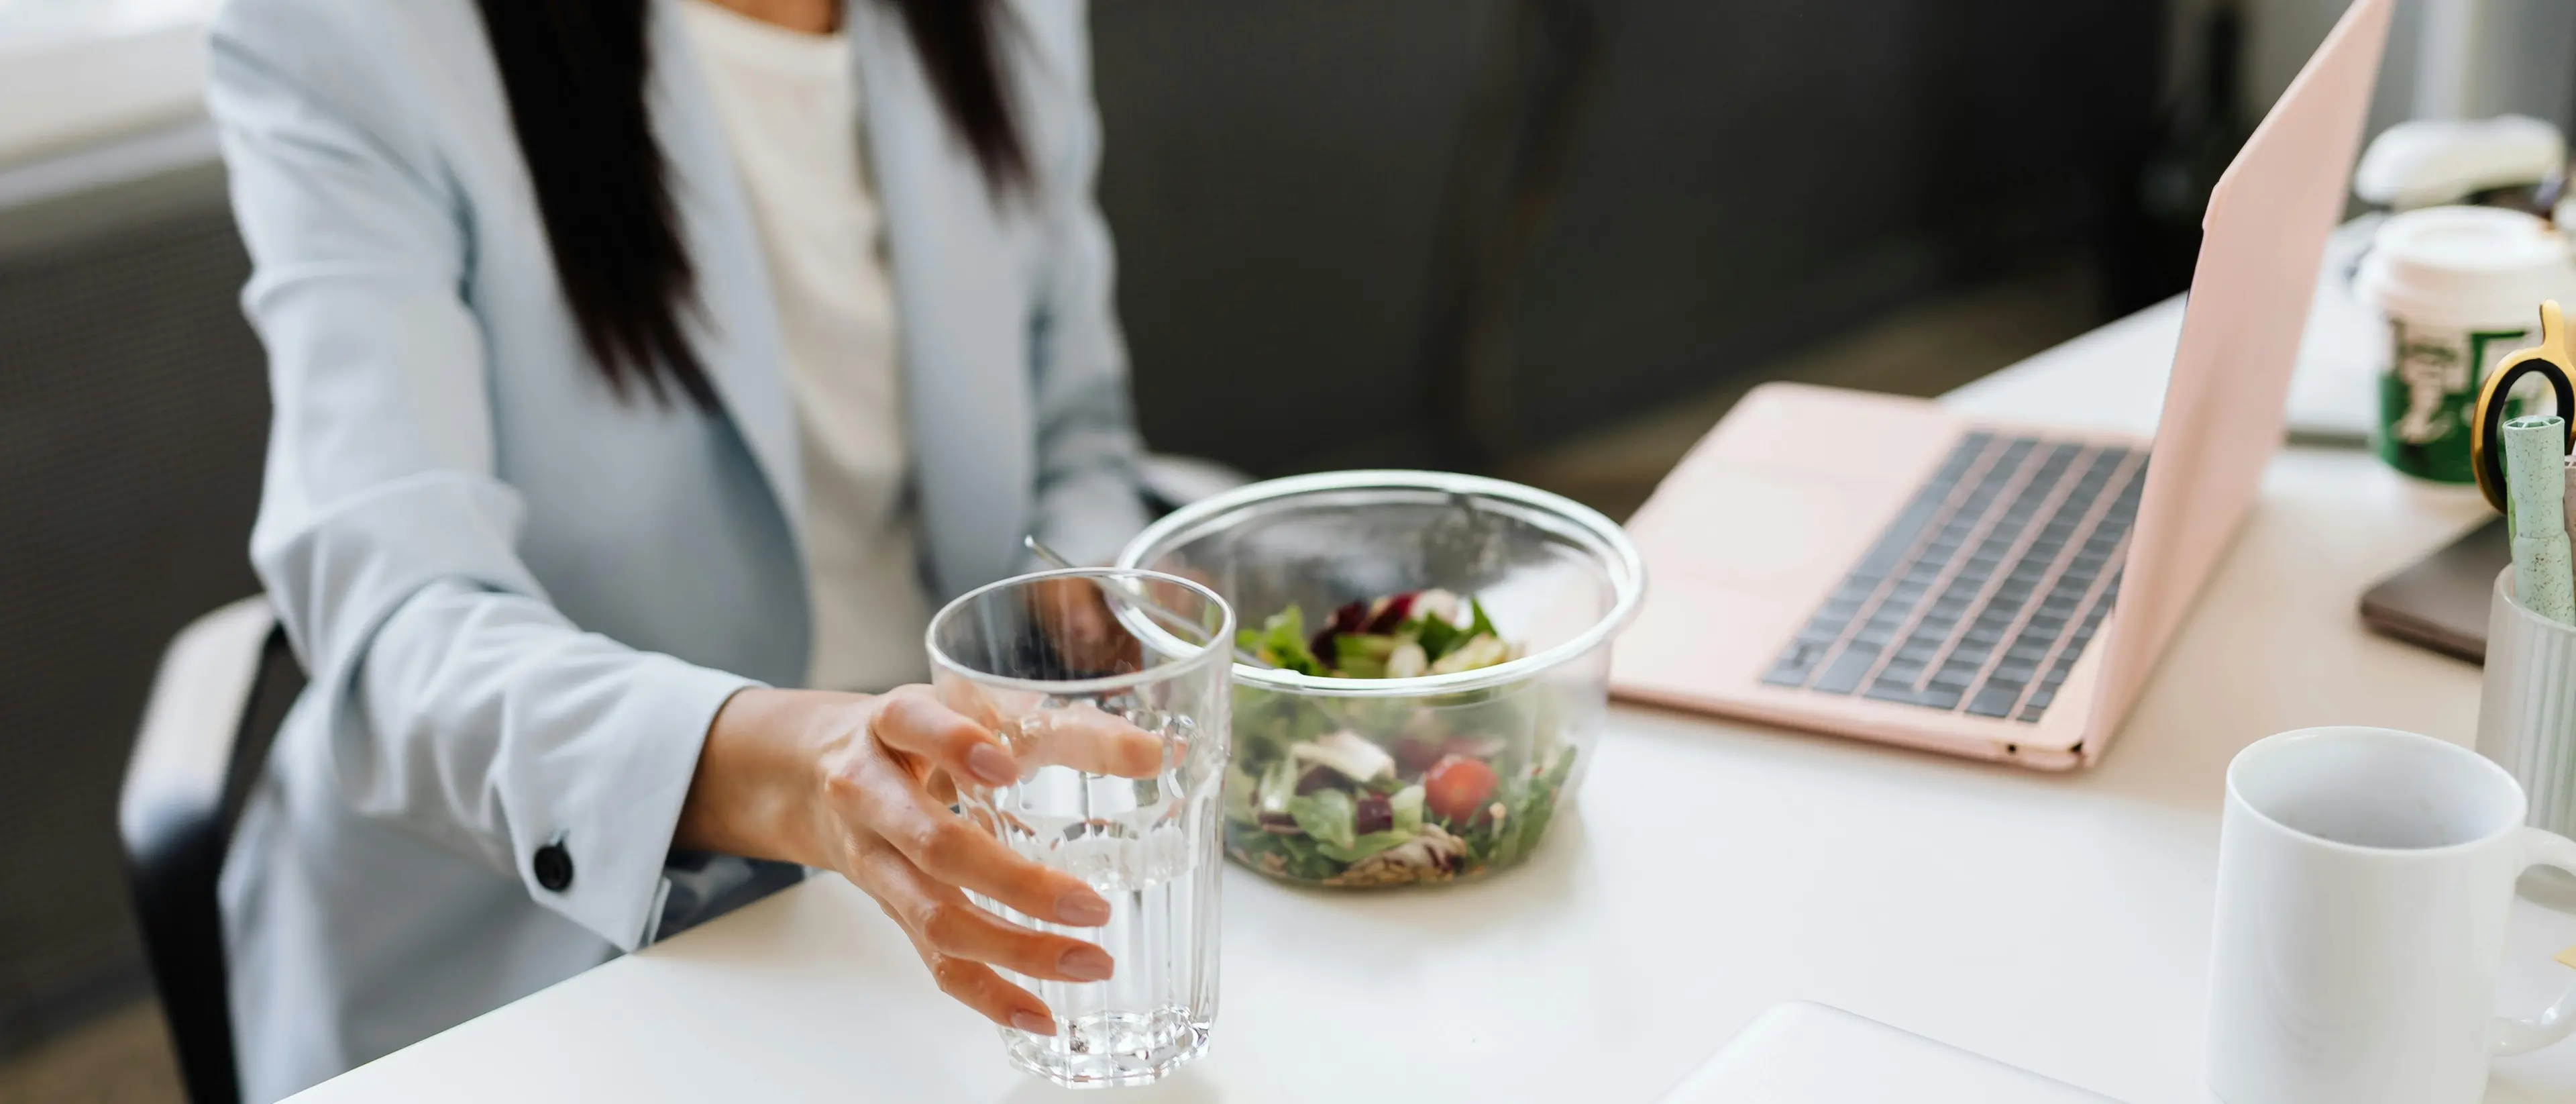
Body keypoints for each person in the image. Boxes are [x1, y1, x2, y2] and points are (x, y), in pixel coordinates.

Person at [204, 0, 1149, 1097]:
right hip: (553, 919)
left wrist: (1069, 595)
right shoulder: (350, 33)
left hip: (963, 843)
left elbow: (1078, 429)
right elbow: (400, 617)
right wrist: (790, 767)